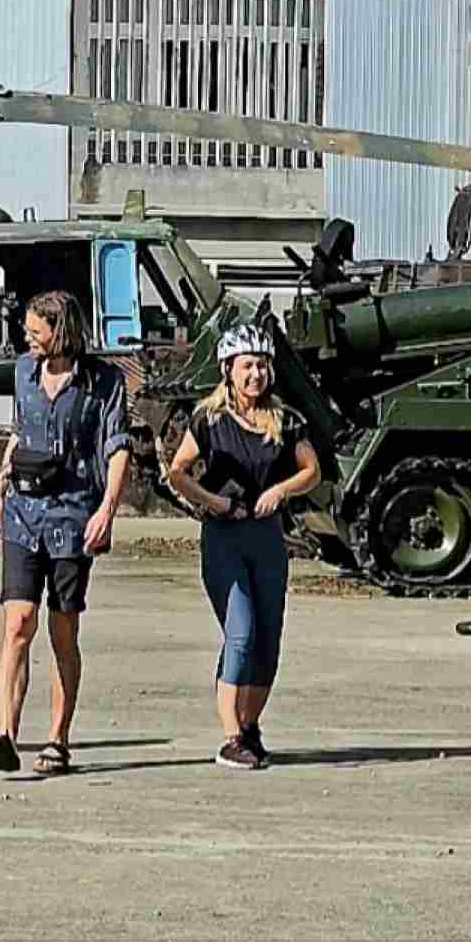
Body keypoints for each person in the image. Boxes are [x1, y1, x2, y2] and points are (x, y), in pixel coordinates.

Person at [0, 291, 132, 775]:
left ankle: (58, 739)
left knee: (63, 631)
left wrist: (107, 509)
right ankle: (5, 734)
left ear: (60, 331)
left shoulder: (102, 382)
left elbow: (118, 447)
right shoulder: (23, 371)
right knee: (17, 623)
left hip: (72, 519)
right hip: (23, 515)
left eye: (35, 330)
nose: (27, 337)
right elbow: (19, 434)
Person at [165, 323, 320, 769]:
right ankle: (230, 736)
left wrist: (282, 491)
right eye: (247, 365)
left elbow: (312, 471)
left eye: (262, 365)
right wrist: (212, 501)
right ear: (228, 370)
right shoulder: (208, 420)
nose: (256, 374)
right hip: (225, 537)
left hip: (267, 537)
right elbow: (177, 472)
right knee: (241, 633)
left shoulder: (285, 421)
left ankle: (250, 728)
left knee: (268, 639)